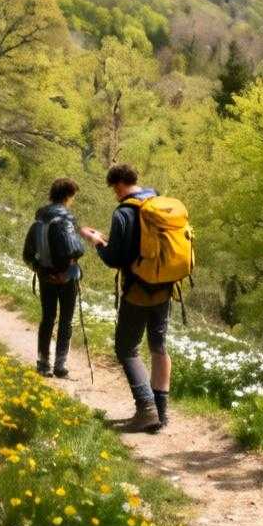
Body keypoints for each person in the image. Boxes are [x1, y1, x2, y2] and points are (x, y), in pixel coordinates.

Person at [83, 164, 174, 433]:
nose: (115, 194)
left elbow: (115, 259)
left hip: (137, 290)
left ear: (119, 184)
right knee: (158, 347)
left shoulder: (124, 212)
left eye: (114, 189)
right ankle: (162, 414)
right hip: (165, 287)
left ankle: (147, 409)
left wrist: (97, 241)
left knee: (126, 348)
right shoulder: (159, 202)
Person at [22, 178, 84, 378]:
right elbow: (75, 252)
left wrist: (41, 270)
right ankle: (60, 365)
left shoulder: (38, 222)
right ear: (68, 196)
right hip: (68, 278)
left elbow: (27, 255)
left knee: (47, 318)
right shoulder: (68, 221)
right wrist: (67, 274)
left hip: (46, 277)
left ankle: (42, 363)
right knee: (66, 320)